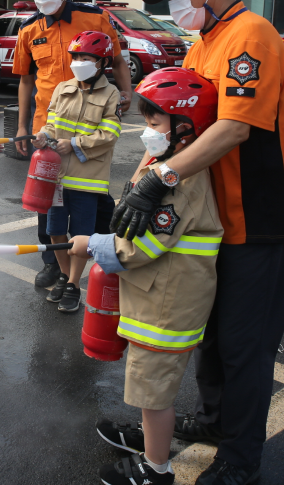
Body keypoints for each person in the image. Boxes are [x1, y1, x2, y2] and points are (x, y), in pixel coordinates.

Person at [113, 0, 284, 485]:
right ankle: (219, 423)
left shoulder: (252, 37)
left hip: (260, 221)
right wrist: (142, 176)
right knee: (213, 339)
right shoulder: (203, 44)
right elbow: (178, 122)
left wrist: (161, 178)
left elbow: (236, 127)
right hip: (215, 219)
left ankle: (241, 460)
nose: (175, 2)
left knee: (246, 347)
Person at [71, 69, 222, 485]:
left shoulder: (181, 177)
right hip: (161, 296)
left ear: (186, 127)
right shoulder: (170, 164)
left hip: (168, 303)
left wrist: (94, 244)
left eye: (155, 123)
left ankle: (155, 470)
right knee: (149, 384)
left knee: (153, 390)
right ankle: (152, 442)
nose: (147, 131)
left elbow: (145, 245)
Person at [12, 0, 134, 288]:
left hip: (92, 125)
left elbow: (119, 60)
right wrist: (24, 128)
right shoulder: (29, 30)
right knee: (46, 198)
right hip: (47, 126)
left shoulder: (94, 18)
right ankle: (52, 262)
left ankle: (93, 250)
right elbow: (25, 81)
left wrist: (126, 93)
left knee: (90, 196)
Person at [33, 31, 123, 313]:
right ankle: (63, 274)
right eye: (76, 57)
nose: (79, 62)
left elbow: (109, 134)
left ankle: (73, 284)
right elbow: (51, 124)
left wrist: (73, 144)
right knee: (55, 232)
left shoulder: (111, 94)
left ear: (102, 63)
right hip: (56, 179)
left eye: (86, 58)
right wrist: (42, 136)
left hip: (88, 179)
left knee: (80, 235)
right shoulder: (62, 88)